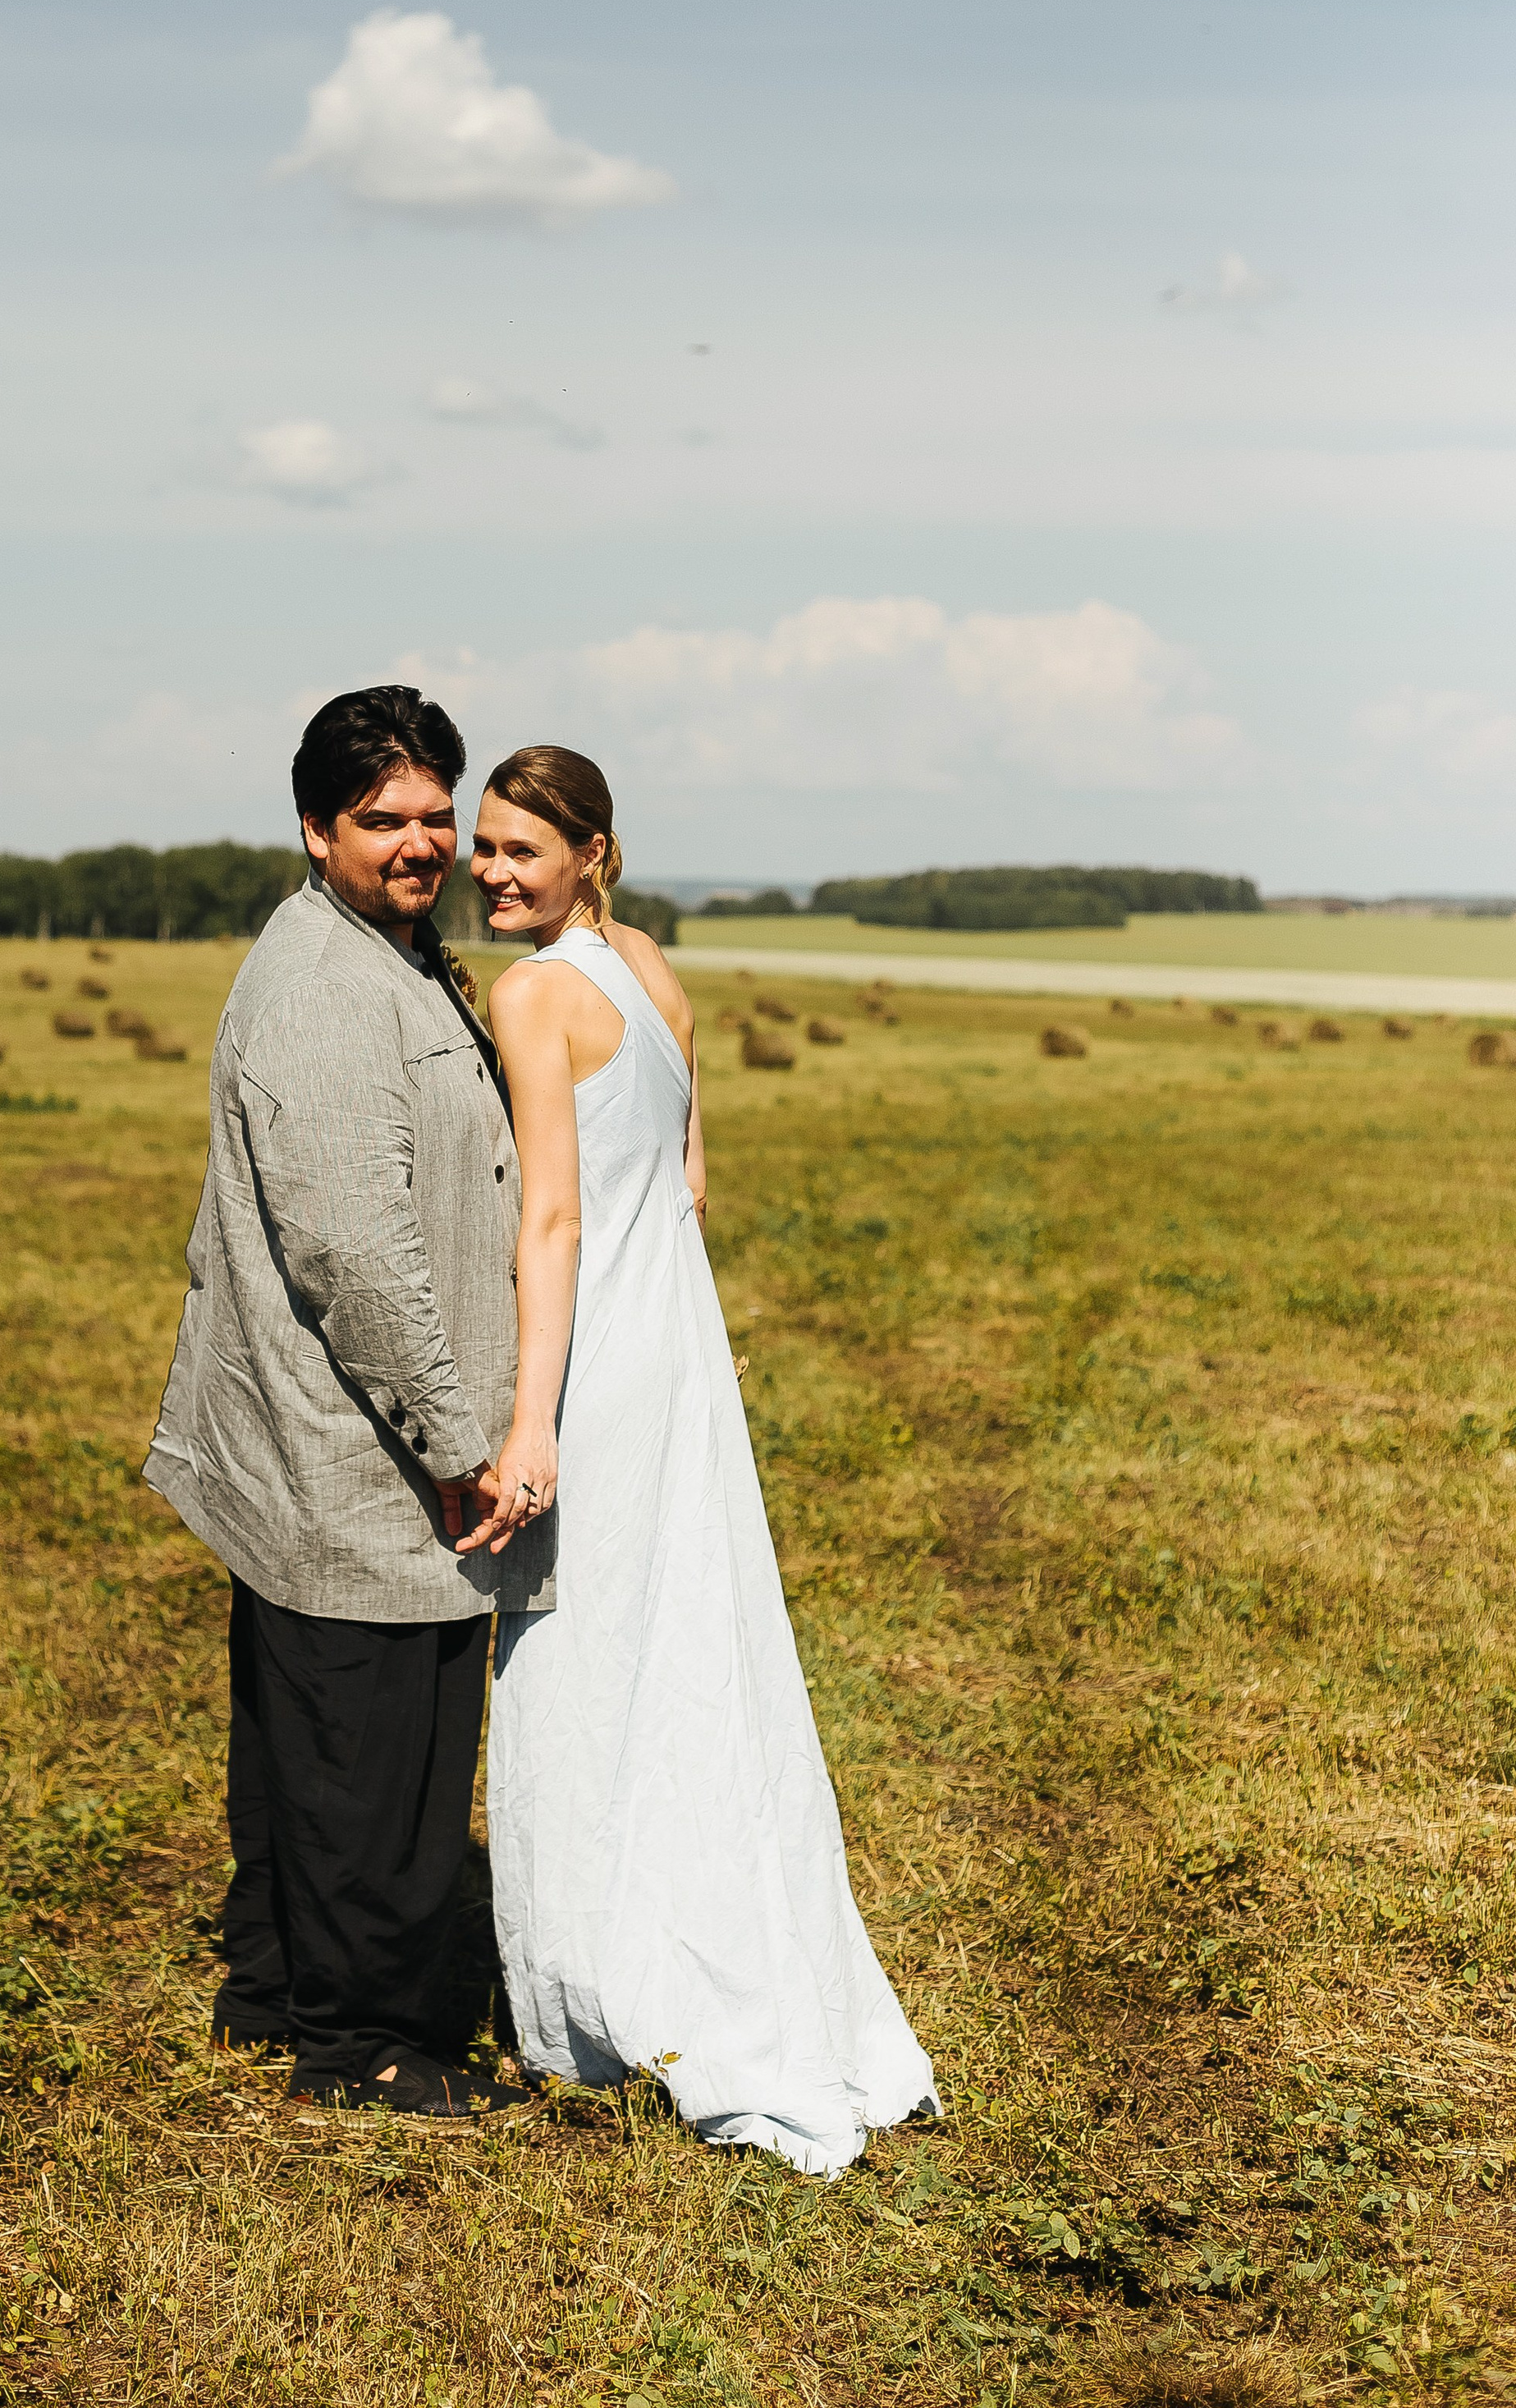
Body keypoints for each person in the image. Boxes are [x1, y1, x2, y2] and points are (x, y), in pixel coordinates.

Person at [462, 744, 938, 2174]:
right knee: (693, 1649)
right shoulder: (652, 968)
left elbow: (554, 1221)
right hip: (676, 1354)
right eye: (484, 847)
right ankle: (715, 1933)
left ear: (589, 853)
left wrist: (531, 1418)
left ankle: (588, 2004)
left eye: (518, 853)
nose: (490, 872)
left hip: (597, 1362)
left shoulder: (531, 994)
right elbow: (687, 1184)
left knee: (576, 1659)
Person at [142, 686, 550, 2117]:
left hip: (344, 1440)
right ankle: (368, 2046)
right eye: (385, 819)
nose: (423, 841)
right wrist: (456, 1440)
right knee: (383, 1758)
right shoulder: (327, 987)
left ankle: (273, 1993)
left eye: (438, 814)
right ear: (316, 830)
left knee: (310, 1741)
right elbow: (355, 1255)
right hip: (361, 1449)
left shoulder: (385, 952)